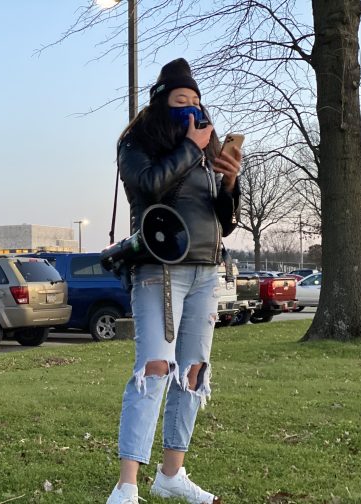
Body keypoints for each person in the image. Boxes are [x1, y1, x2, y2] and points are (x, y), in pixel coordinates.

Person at [106, 58, 242, 504]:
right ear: (161, 102)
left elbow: (226, 221)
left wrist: (228, 182)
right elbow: (148, 186)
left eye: (196, 102)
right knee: (154, 369)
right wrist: (188, 147)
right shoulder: (138, 142)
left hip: (206, 269)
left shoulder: (205, 151)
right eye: (180, 100)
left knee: (192, 373)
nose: (191, 109)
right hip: (158, 268)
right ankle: (126, 486)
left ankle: (171, 475)